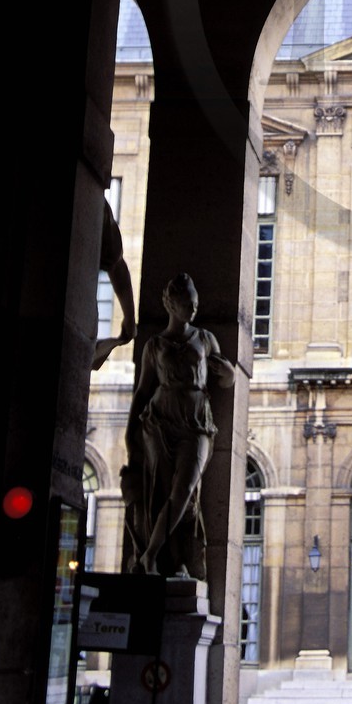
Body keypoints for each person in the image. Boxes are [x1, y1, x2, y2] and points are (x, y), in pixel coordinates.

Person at [124, 272, 235, 577]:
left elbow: (227, 378)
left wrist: (228, 372)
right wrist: (130, 433)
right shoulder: (154, 346)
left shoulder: (205, 339)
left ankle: (151, 554)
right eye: (189, 304)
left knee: (185, 490)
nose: (194, 310)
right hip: (159, 422)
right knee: (161, 492)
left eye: (196, 304)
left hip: (197, 421)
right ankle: (167, 560)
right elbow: (143, 391)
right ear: (172, 305)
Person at [93, 198, 137, 369]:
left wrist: (129, 317)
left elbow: (116, 264)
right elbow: (116, 264)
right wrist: (129, 318)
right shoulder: (94, 202)